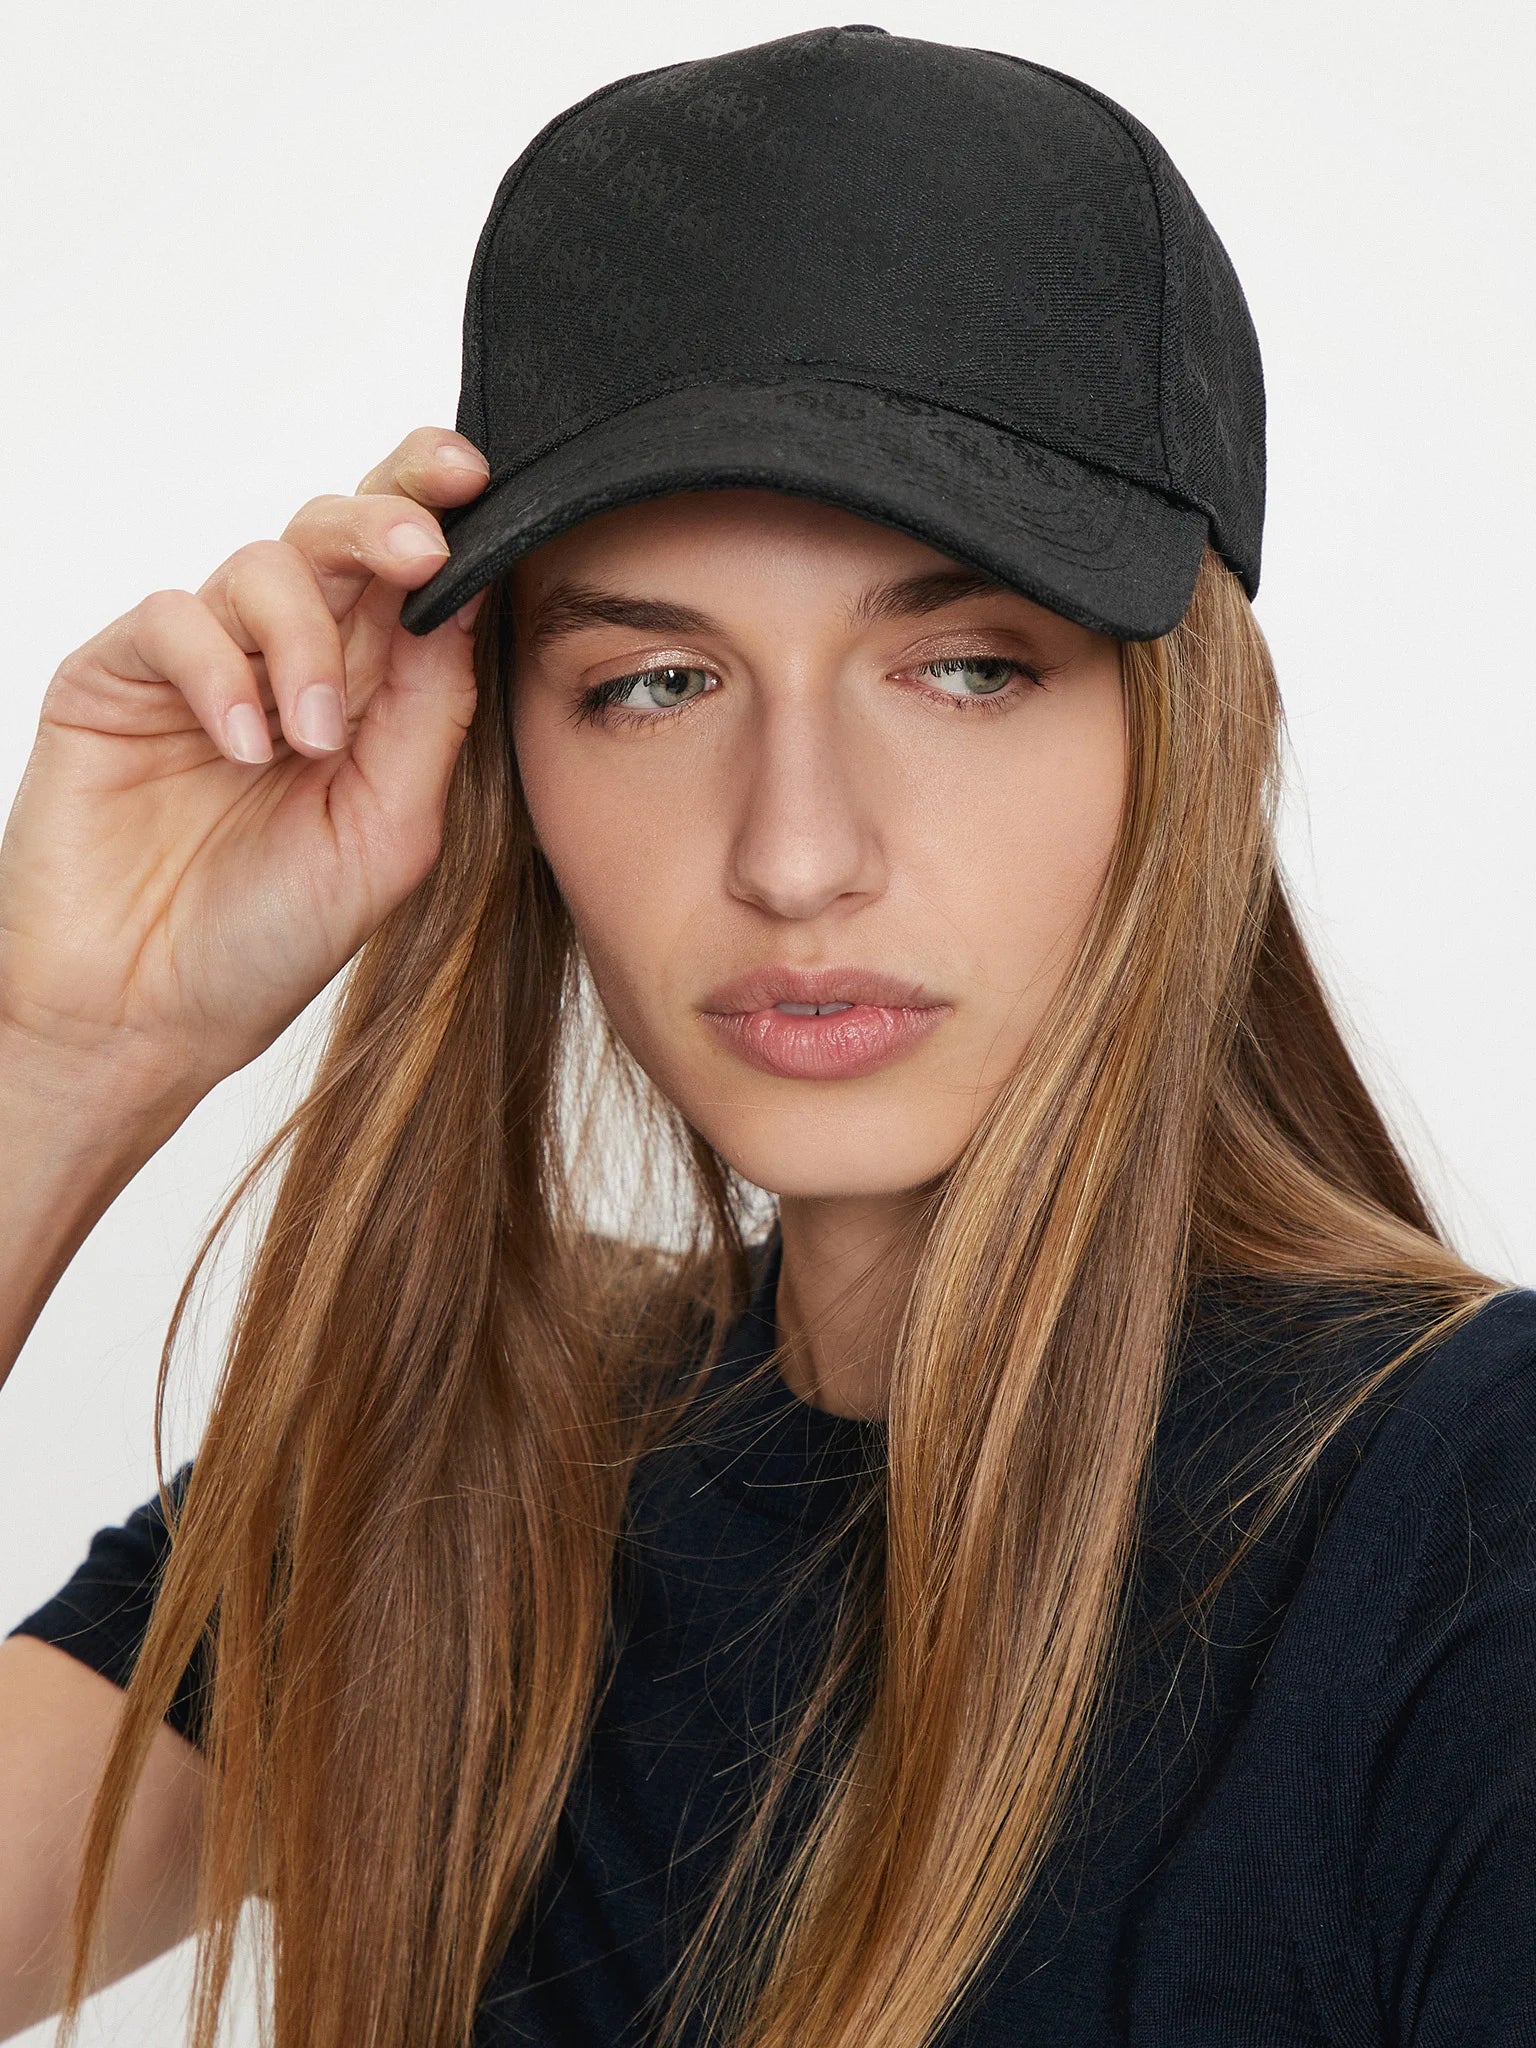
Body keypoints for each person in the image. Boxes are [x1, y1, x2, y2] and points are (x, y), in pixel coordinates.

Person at [0, 23, 1532, 2048]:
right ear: (503, 759)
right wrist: (63, 1052)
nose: (798, 853)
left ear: (1186, 738)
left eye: (968, 667)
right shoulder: (463, 1484)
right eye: (654, 683)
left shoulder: (1473, 1531)